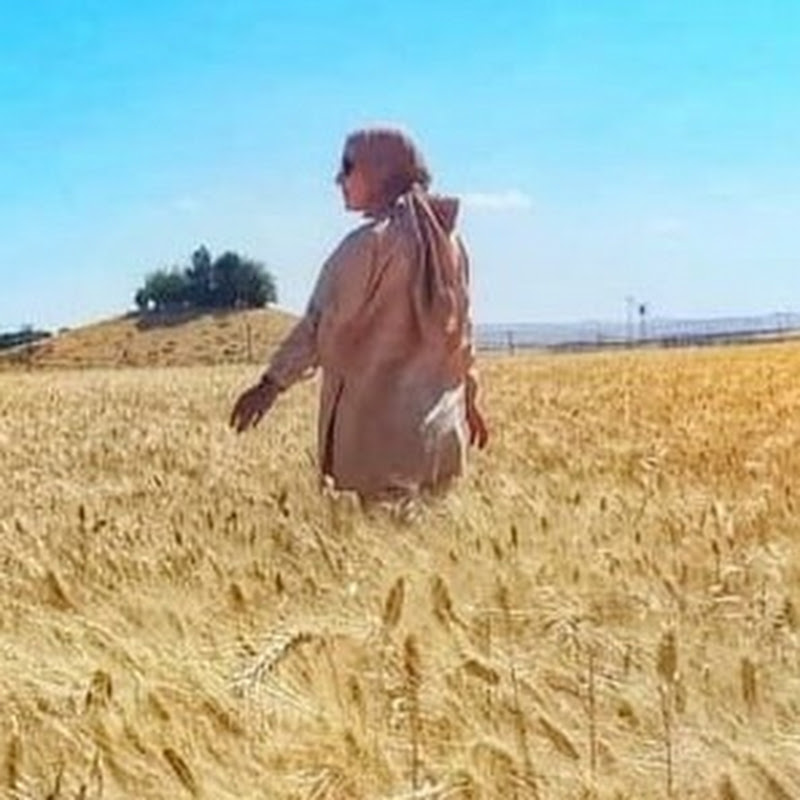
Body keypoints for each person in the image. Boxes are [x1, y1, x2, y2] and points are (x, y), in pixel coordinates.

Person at [229, 126, 487, 502]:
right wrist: (471, 399)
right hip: (442, 440)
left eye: (349, 167)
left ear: (381, 169)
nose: (339, 179)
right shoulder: (450, 241)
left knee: (384, 533)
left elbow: (319, 327)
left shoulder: (368, 245)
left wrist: (270, 385)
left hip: (378, 448)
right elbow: (461, 332)